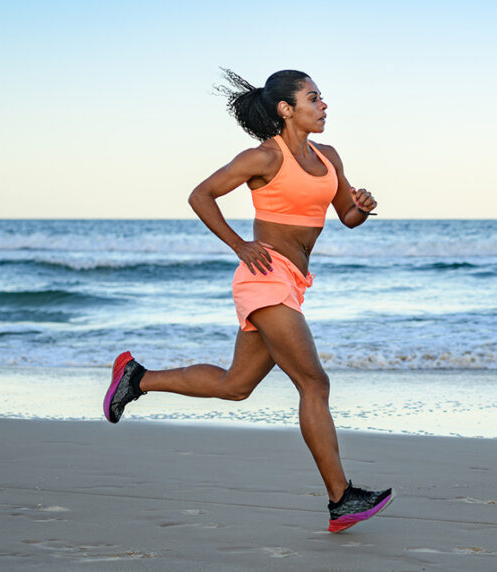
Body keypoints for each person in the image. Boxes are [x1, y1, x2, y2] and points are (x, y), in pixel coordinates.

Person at [102, 69, 392, 533]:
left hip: (293, 280)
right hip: (264, 277)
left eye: (322, 98)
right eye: (313, 98)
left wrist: (362, 205)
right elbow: (201, 195)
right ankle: (342, 498)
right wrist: (239, 245)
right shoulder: (262, 157)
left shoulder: (329, 156)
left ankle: (137, 379)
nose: (323, 106)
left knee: (237, 384)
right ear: (286, 109)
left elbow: (347, 217)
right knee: (314, 383)